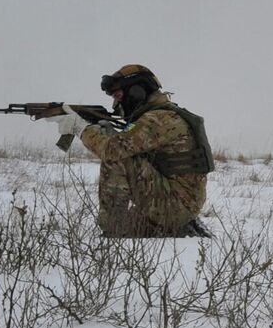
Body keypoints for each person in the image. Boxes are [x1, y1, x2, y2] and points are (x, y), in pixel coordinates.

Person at [52, 64, 213, 238]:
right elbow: (134, 145)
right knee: (121, 154)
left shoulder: (159, 119)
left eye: (118, 96)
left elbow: (113, 150)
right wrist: (103, 131)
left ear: (136, 92)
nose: (115, 104)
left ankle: (113, 229)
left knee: (117, 158)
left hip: (175, 208)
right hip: (180, 203)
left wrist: (81, 128)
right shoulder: (162, 115)